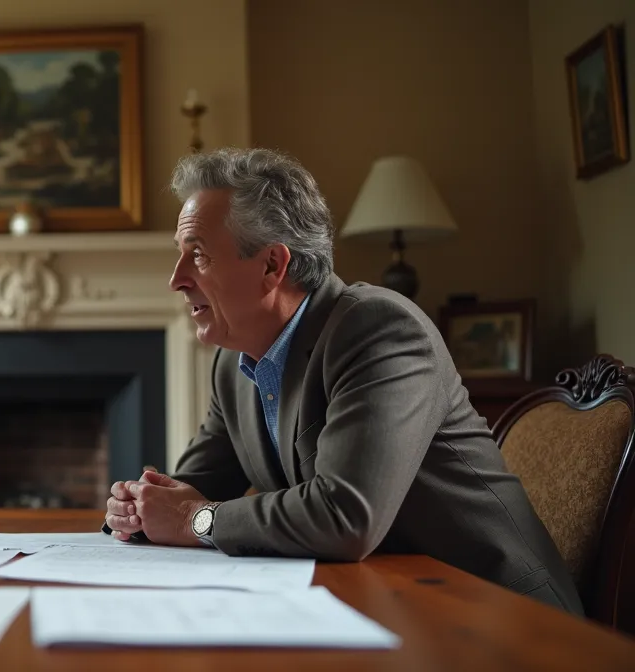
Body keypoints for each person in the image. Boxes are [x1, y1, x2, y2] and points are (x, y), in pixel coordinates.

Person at [103, 147, 583, 615]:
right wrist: (143, 507)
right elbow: (189, 487)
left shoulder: (377, 329)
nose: (176, 279)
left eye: (198, 255)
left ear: (273, 265)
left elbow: (345, 516)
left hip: (498, 617)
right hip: (379, 604)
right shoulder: (233, 364)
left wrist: (192, 519)